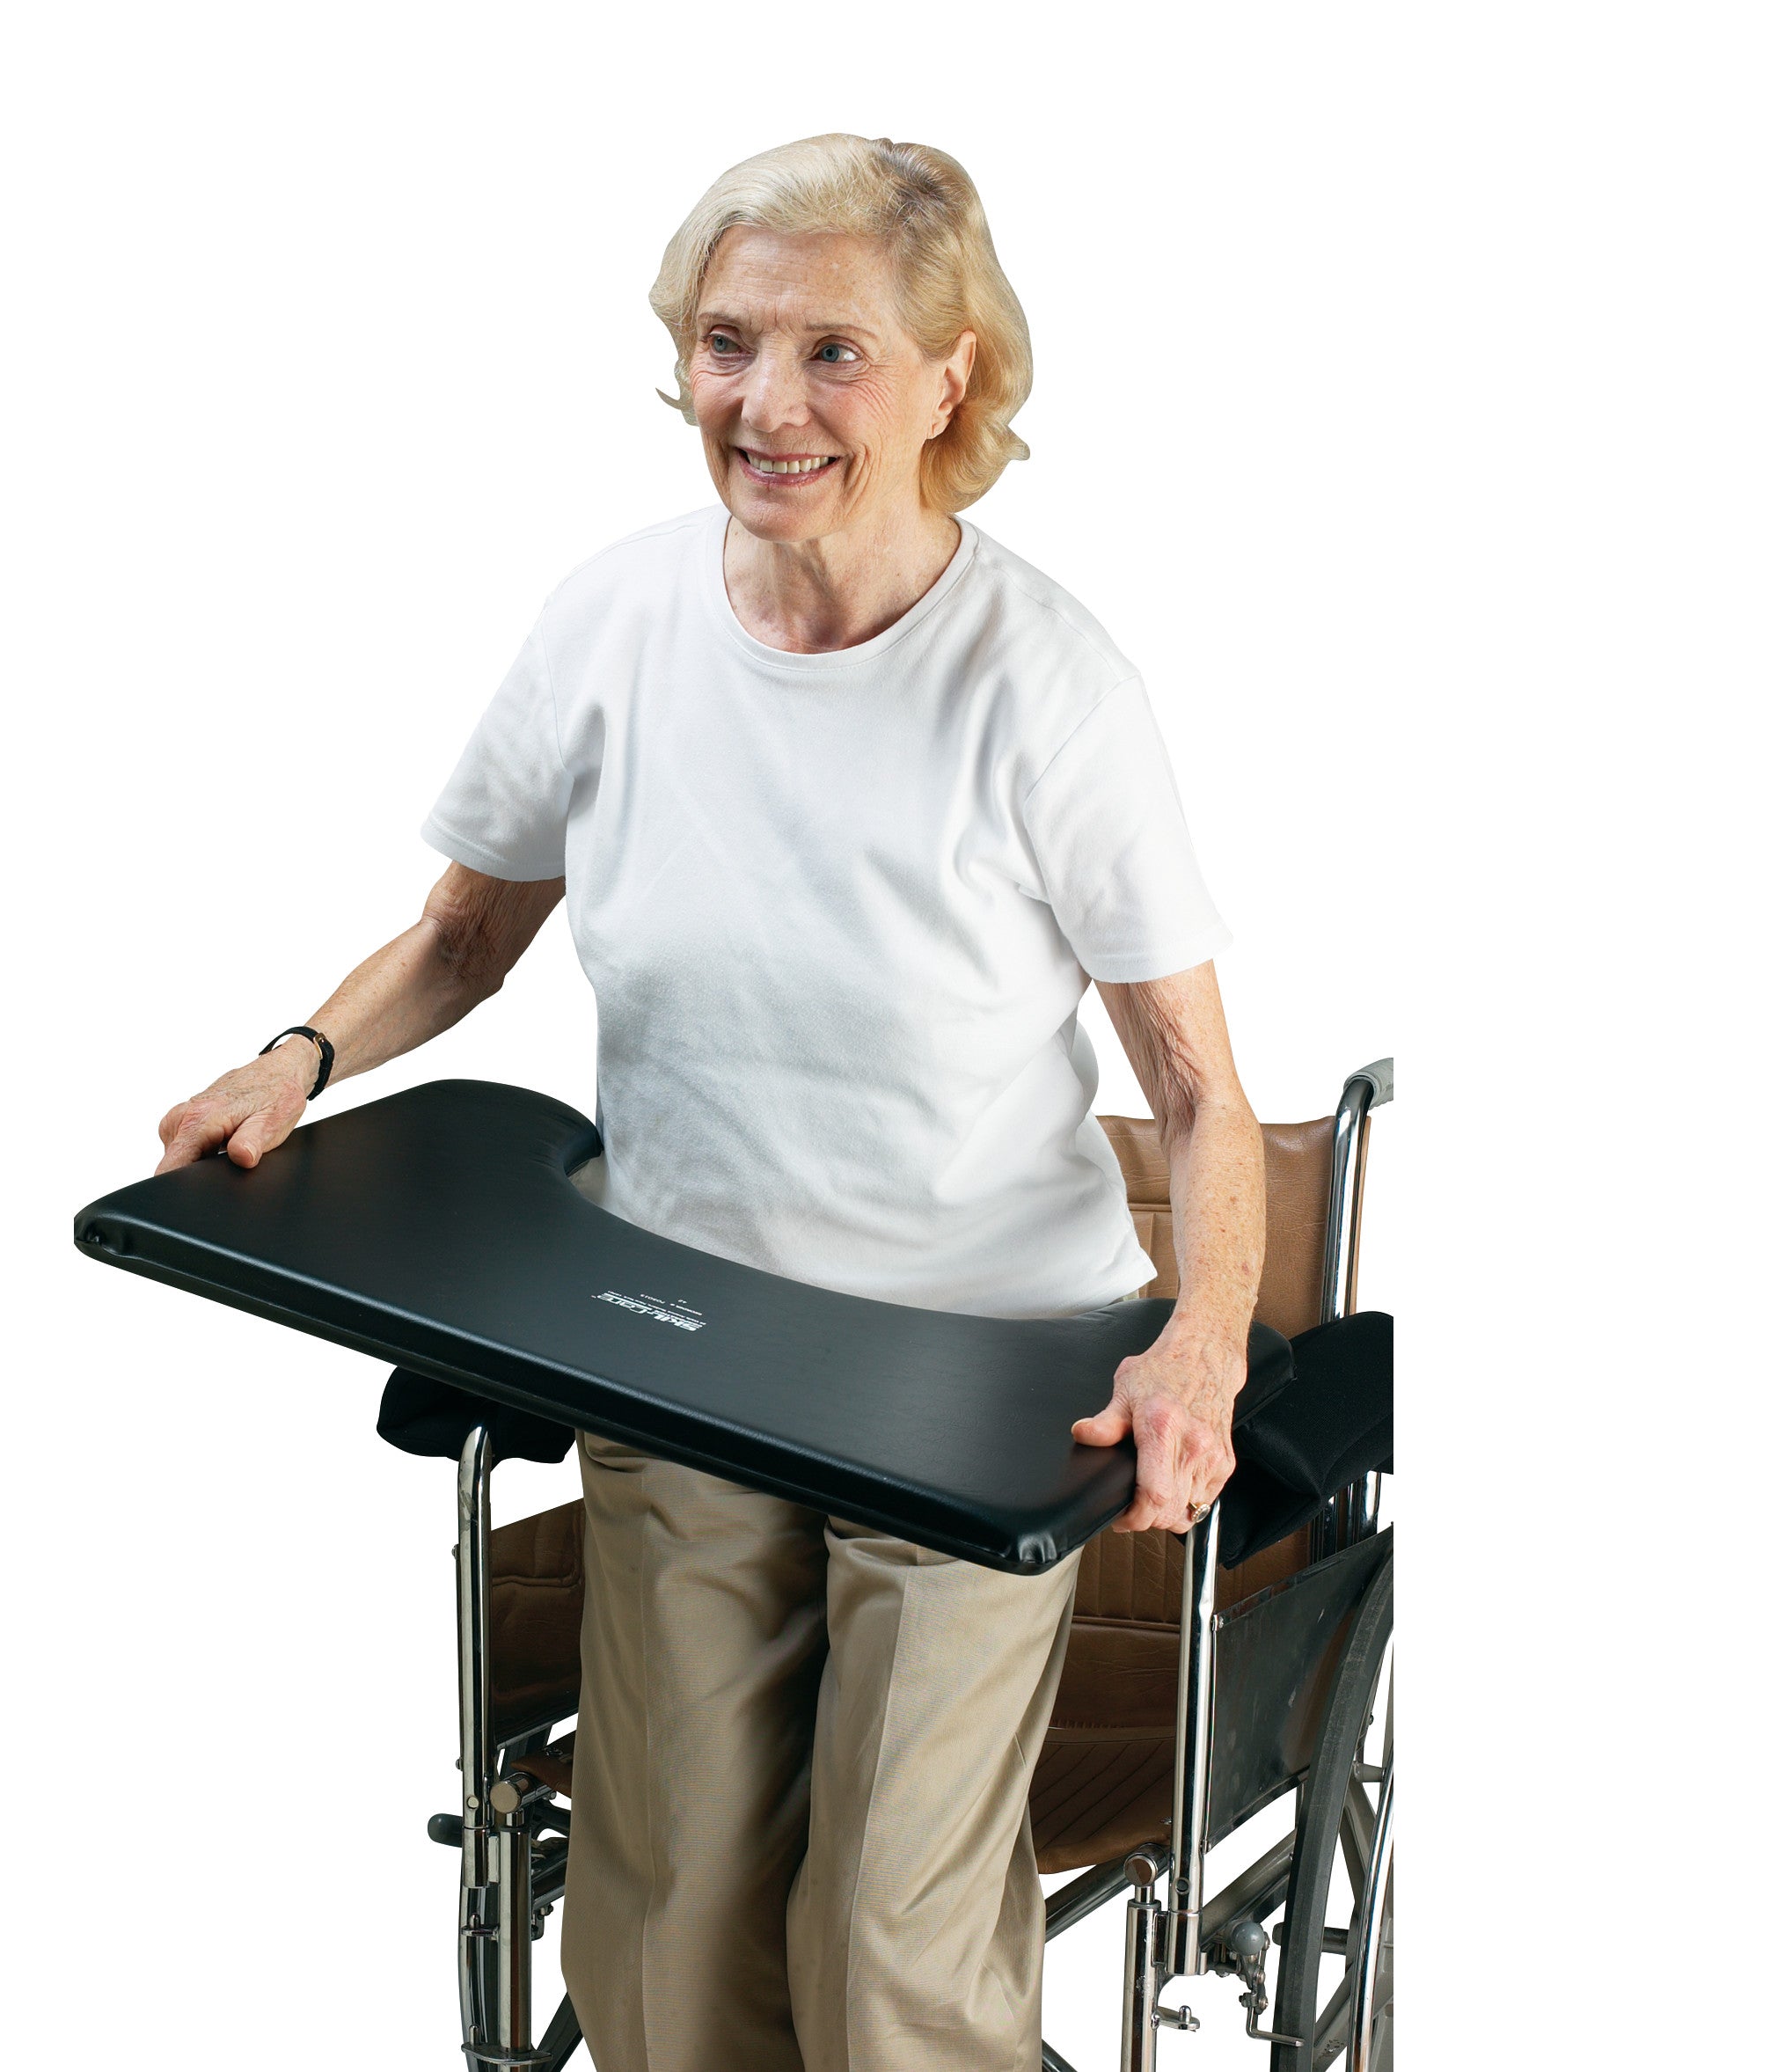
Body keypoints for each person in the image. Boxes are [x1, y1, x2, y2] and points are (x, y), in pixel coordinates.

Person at [155, 134, 1264, 2072]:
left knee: (884, 1948)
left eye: (833, 351)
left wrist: (1201, 1343)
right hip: (682, 1338)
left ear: (951, 381)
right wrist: (299, 1056)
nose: (766, 402)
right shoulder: (614, 619)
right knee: (663, 1928)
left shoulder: (1046, 688)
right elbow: (462, 929)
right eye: (726, 340)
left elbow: (1196, 1094)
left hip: (976, 1375)